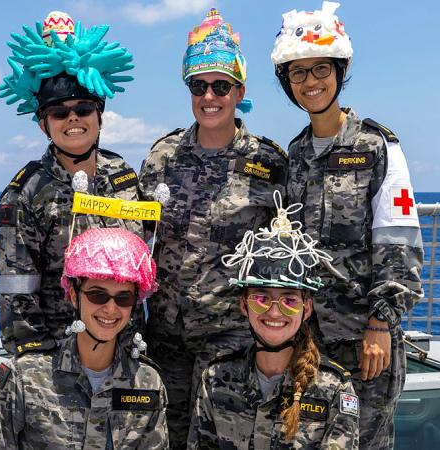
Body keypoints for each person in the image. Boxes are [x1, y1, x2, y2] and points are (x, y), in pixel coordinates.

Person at [271, 3, 424, 449]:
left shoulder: (377, 146)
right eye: (298, 73)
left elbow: (399, 240)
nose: (311, 81)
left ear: (340, 72)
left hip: (364, 339)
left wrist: (381, 322)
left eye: (321, 68)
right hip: (308, 339)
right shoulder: (295, 154)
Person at [138, 8, 289, 447]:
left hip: (232, 339)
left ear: (239, 91)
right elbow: (138, 234)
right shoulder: (162, 156)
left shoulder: (268, 163)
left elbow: (285, 250)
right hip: (166, 334)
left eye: (221, 86)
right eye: (198, 86)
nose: (210, 96)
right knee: (164, 436)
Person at [0, 11, 144, 356]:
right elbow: (17, 289)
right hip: (59, 357)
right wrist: (35, 360)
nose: (73, 118)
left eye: (84, 108)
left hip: (124, 350)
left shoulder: (122, 175)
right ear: (43, 124)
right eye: (59, 112)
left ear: (100, 116)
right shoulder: (26, 193)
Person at [0, 227, 168, 449]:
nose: (111, 309)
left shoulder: (147, 383)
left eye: (124, 298)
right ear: (74, 296)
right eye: (98, 295)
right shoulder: (25, 377)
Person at [188, 191, 358, 449]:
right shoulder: (215, 379)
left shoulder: (334, 389)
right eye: (261, 298)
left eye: (289, 300)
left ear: (306, 309)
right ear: (243, 305)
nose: (275, 312)